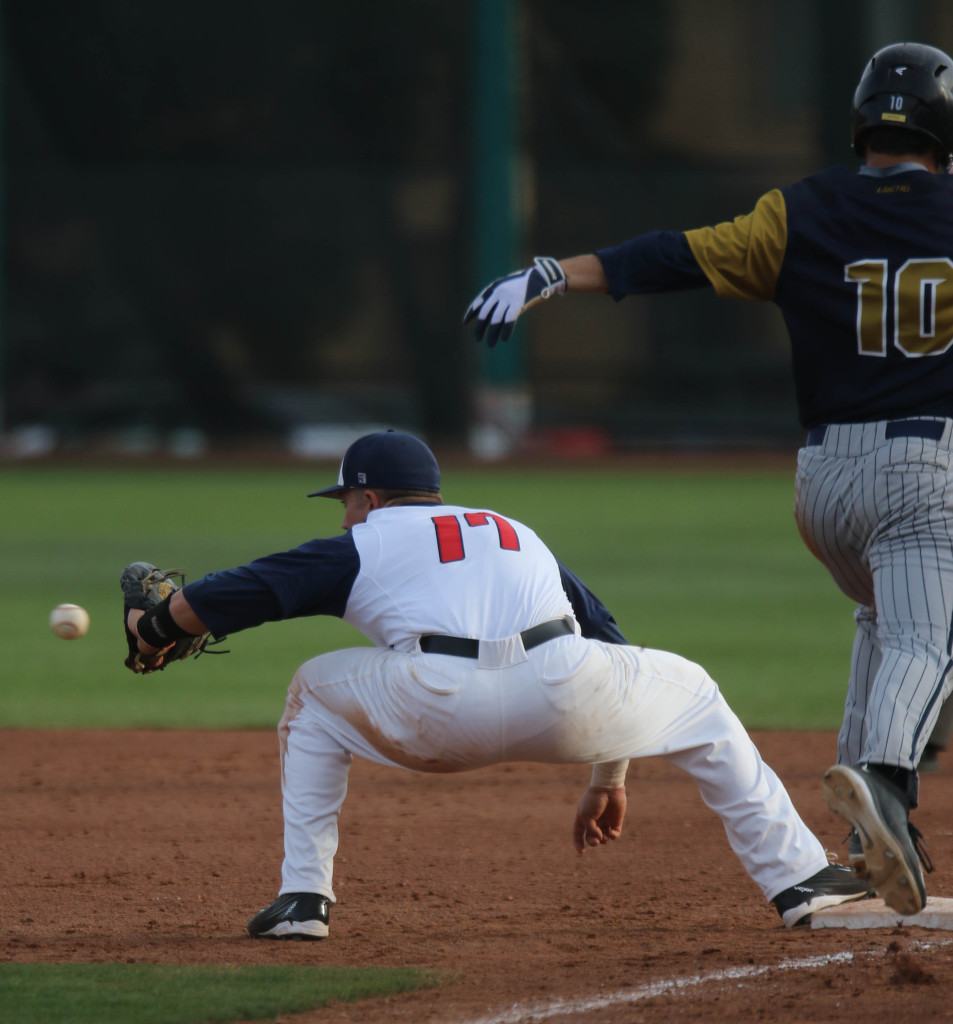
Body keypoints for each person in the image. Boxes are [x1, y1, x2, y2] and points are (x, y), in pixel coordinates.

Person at [463, 41, 953, 917]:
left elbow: (674, 255)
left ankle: (864, 839)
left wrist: (555, 273)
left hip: (824, 484)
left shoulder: (800, 211)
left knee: (888, 620)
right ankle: (881, 781)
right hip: (926, 468)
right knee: (930, 640)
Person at [125, 430, 868, 939]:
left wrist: (156, 629)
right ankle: (799, 880)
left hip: (438, 713)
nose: (344, 512)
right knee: (695, 692)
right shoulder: (511, 528)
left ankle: (303, 898)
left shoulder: (360, 543)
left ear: (371, 500)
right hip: (570, 697)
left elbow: (235, 594)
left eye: (346, 499)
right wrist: (609, 772)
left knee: (311, 692)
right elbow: (604, 634)